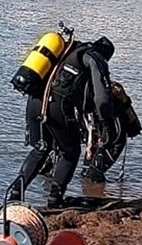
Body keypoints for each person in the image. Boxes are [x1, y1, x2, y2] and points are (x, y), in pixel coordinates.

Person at [9, 36, 117, 208]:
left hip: (34, 102)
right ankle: (55, 199)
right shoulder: (95, 58)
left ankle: (14, 194)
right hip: (57, 106)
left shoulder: (67, 50)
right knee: (70, 152)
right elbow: (102, 98)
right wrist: (107, 123)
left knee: (41, 148)